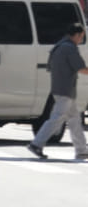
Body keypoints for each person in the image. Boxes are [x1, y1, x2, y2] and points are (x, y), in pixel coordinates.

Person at [28, 21, 88, 160]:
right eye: (81, 37)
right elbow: (81, 68)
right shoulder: (69, 48)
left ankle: (82, 150)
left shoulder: (59, 46)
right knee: (56, 118)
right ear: (77, 35)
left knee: (74, 120)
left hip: (61, 88)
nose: (81, 40)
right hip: (65, 90)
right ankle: (36, 144)